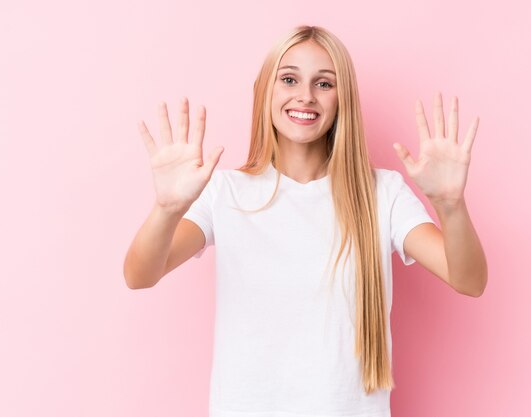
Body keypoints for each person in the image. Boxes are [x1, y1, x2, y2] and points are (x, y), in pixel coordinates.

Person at [124, 25, 487, 417]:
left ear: (342, 98)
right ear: (266, 90)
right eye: (290, 79)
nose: (306, 96)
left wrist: (451, 205)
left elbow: (469, 279)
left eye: (324, 84)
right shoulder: (225, 191)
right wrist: (166, 209)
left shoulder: (382, 193)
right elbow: (140, 274)